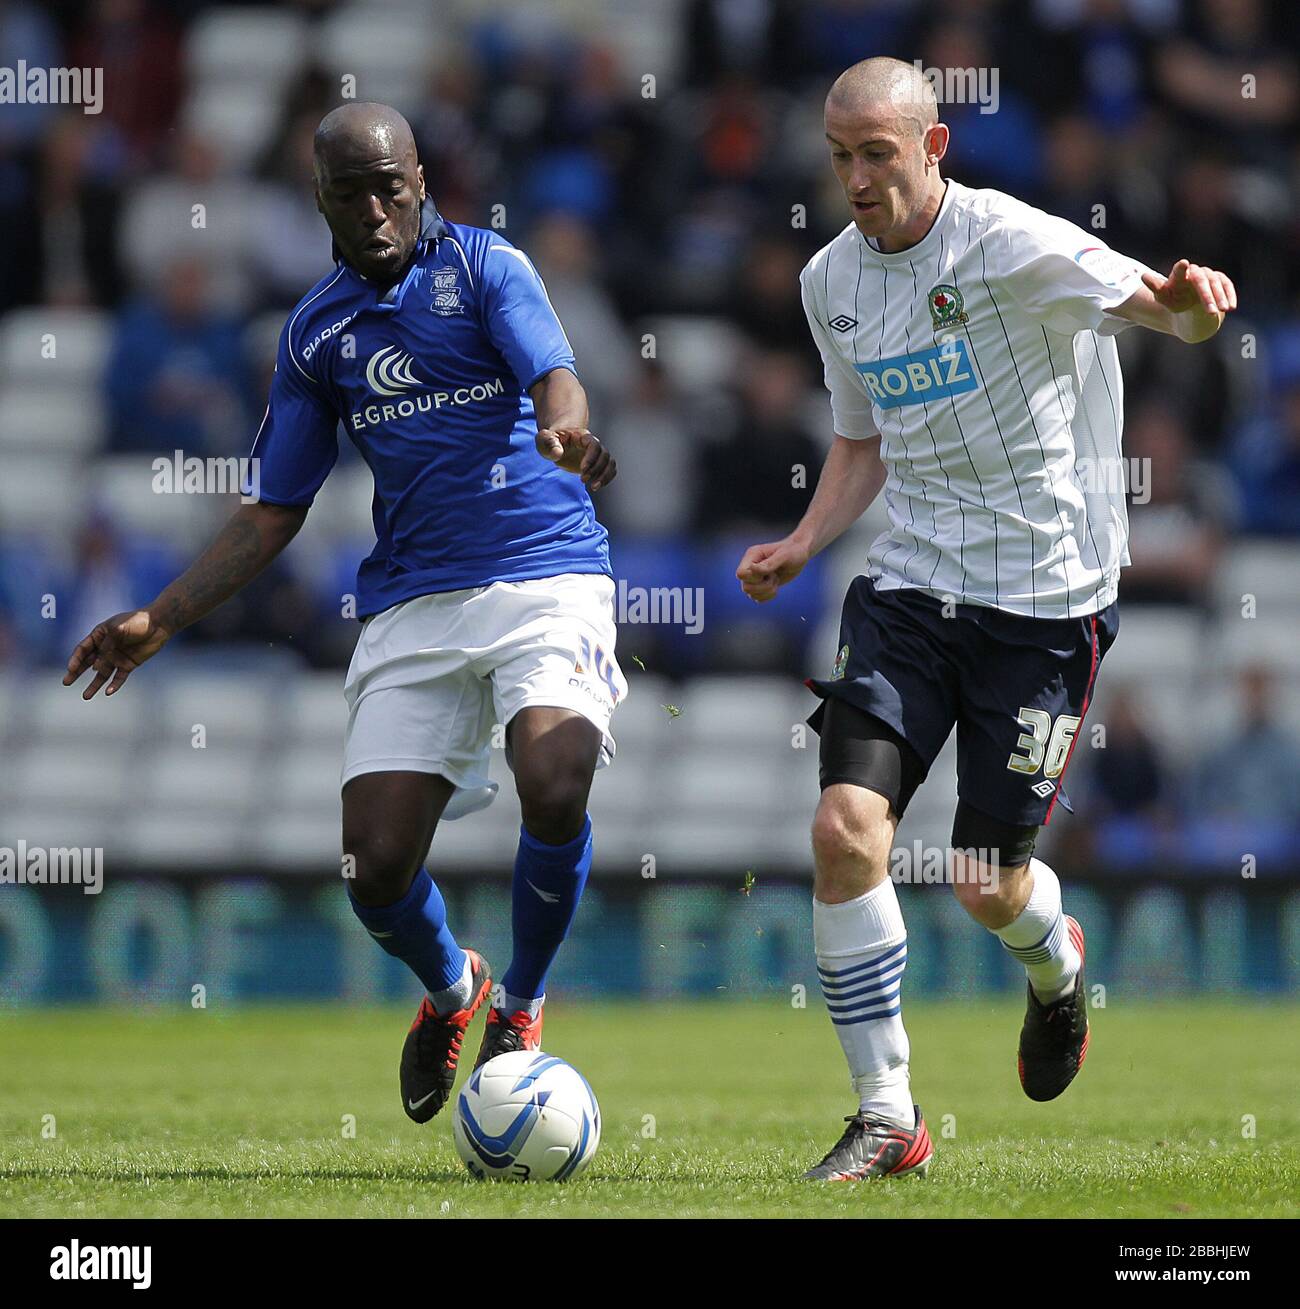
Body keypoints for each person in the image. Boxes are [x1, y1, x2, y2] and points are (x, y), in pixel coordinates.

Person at [64, 102, 624, 1127]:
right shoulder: (316, 331)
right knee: (373, 866)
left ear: (421, 183)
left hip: (543, 573)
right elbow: (273, 507)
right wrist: (161, 617)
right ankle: (454, 987)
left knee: (553, 777)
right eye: (349, 193)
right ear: (318, 199)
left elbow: (557, 377)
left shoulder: (486, 268)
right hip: (412, 600)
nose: (373, 211)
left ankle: (522, 1005)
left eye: (389, 189)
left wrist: (565, 431)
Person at [736, 58, 1236, 1182]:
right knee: (843, 830)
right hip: (911, 587)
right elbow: (861, 437)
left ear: (933, 148)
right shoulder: (829, 281)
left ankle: (1056, 964)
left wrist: (1195, 308)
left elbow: (1159, 308)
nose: (856, 179)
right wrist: (806, 540)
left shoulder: (1011, 242)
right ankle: (887, 1116)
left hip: (1045, 604)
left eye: (877, 154)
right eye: (840, 157)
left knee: (982, 882)